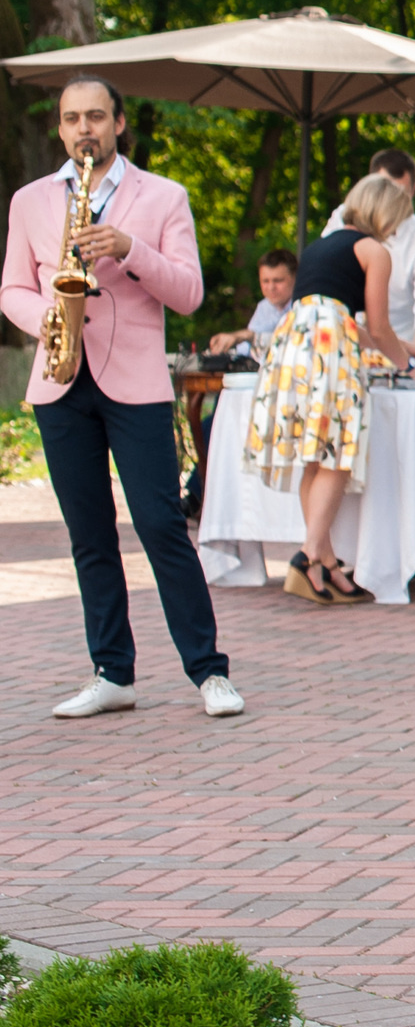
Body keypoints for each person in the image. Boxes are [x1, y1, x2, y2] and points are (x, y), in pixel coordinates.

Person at [0, 75, 243, 719]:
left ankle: (209, 672)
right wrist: (51, 319)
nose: (85, 129)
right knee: (88, 533)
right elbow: (12, 290)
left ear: (119, 123)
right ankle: (113, 672)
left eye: (97, 117)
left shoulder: (164, 197)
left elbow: (188, 293)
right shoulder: (30, 201)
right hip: (60, 379)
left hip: (135, 384)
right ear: (60, 127)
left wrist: (130, 250)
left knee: (162, 525)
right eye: (73, 118)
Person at [244, 171, 415, 604]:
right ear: (386, 215)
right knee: (338, 453)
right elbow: (375, 324)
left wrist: (402, 347)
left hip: (293, 346)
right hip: (326, 353)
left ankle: (326, 561)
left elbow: (330, 312)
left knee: (313, 456)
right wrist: (407, 363)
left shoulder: (321, 246)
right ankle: (306, 556)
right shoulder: (373, 251)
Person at [323, 147, 415, 357]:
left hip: (399, 349)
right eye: (384, 192)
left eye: (399, 196)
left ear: (413, 191)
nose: (390, 204)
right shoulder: (343, 219)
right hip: (341, 346)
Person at [207, 249, 297, 355]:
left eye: (278, 280)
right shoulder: (264, 306)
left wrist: (244, 336)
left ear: (295, 278)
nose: (271, 287)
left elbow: (291, 343)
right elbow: (245, 348)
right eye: (265, 281)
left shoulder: (306, 307)